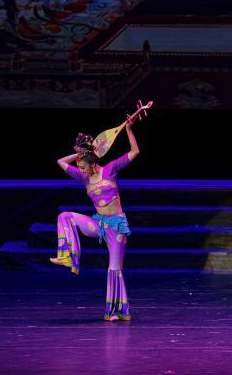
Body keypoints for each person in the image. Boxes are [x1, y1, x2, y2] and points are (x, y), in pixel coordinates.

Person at [51, 114, 140, 321]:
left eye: (83, 166)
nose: (80, 170)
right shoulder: (84, 177)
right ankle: (67, 257)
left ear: (92, 164)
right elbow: (60, 162)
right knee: (65, 216)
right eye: (80, 167)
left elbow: (135, 152)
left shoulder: (110, 170)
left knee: (114, 269)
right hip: (98, 224)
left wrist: (128, 129)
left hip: (116, 227)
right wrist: (80, 153)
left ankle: (116, 312)